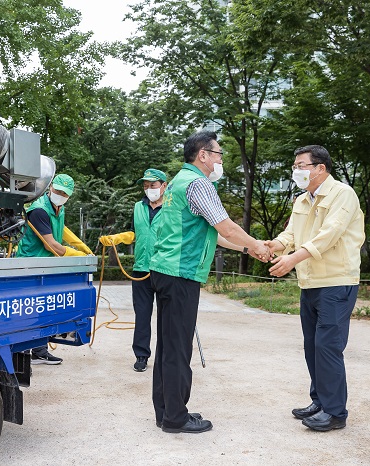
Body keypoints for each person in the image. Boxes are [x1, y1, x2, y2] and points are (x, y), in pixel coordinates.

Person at [149, 131, 271, 434]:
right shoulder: (199, 184)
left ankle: (165, 411)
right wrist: (257, 246)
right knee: (178, 349)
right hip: (181, 275)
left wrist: (247, 246)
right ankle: (176, 418)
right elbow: (226, 227)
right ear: (203, 155)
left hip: (166, 272)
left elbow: (212, 232)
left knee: (167, 346)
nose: (220, 160)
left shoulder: (178, 182)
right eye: (218, 154)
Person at [266, 145, 365, 432]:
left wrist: (291, 260)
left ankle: (335, 413)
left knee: (328, 347)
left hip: (337, 281)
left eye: (301, 165)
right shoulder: (301, 200)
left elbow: (329, 235)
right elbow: (292, 234)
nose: (296, 170)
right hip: (309, 282)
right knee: (312, 347)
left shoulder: (342, 194)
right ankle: (320, 400)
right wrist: (274, 245)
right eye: (295, 166)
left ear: (320, 167)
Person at [17, 173, 92, 364]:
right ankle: (21, 353)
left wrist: (81, 245)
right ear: (50, 187)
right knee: (29, 311)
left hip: (45, 266)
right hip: (31, 265)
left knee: (42, 310)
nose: (60, 195)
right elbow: (51, 245)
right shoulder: (39, 210)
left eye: (64, 193)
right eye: (57, 191)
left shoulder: (58, 207)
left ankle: (39, 351)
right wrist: (79, 256)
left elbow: (63, 230)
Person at [99, 168, 168, 373]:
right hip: (140, 269)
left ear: (164, 186)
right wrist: (118, 238)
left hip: (164, 269)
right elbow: (135, 233)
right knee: (142, 314)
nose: (149, 189)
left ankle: (166, 357)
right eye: (145, 186)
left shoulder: (173, 207)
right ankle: (141, 355)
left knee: (167, 317)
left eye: (153, 185)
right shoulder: (138, 206)